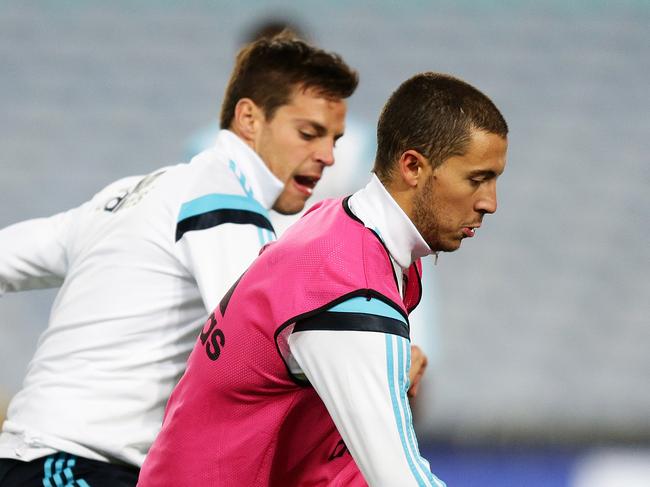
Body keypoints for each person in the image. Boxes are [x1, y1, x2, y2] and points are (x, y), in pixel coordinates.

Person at [0, 35, 358, 486]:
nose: (327, 156)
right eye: (309, 133)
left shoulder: (128, 195)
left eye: (334, 139)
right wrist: (371, 360)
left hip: (39, 463)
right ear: (249, 118)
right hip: (77, 466)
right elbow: (260, 341)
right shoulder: (224, 203)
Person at [138, 72, 509, 486]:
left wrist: (389, 369)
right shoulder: (351, 287)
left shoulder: (339, 227)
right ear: (412, 167)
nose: (489, 203)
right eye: (477, 179)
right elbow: (399, 479)